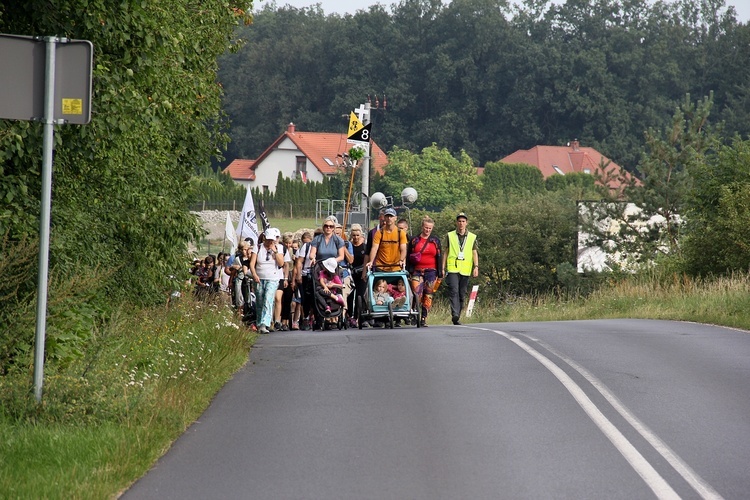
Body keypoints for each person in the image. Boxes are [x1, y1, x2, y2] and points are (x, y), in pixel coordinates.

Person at [441, 212, 479, 325]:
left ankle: (458, 315)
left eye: (463, 221)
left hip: (466, 269)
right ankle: (455, 314)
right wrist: (442, 268)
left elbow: (474, 253)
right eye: (459, 221)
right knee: (454, 291)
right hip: (453, 268)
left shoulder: (472, 237)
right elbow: (445, 252)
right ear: (456, 223)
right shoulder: (450, 235)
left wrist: (476, 267)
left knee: (462, 293)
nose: (461, 223)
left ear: (466, 223)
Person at [407, 216, 443, 327]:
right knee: (417, 293)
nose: (427, 230)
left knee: (428, 295)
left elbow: (439, 256)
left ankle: (424, 317)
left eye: (430, 228)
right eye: (426, 228)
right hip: (417, 271)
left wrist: (440, 272)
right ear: (422, 227)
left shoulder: (435, 241)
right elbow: (409, 256)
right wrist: (409, 271)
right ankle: (415, 314)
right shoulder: (414, 240)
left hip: (431, 271)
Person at [250, 228, 285, 334]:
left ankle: (265, 323)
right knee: (260, 300)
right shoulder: (258, 247)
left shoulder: (279, 247)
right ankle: (259, 322)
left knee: (268, 299)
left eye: (272, 240)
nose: (270, 242)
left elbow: (281, 263)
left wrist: (275, 251)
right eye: (268, 239)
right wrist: (254, 274)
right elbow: (252, 263)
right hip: (260, 277)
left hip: (273, 278)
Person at [364, 207, 408, 274]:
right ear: (384, 218)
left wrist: (401, 260)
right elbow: (374, 248)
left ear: (395, 218)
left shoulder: (400, 233)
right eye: (387, 216)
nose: (389, 218)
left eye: (391, 216)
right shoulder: (379, 233)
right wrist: (371, 261)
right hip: (381, 267)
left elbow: (404, 249)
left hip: (396, 267)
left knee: (402, 283)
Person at [348, 223, 367, 327]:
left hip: (361, 273)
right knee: (350, 296)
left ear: (361, 235)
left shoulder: (364, 245)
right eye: (353, 235)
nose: (355, 237)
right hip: (351, 274)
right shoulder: (349, 245)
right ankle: (350, 317)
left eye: (357, 235)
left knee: (361, 295)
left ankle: (360, 317)